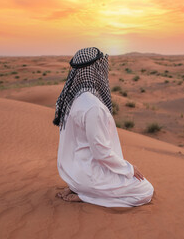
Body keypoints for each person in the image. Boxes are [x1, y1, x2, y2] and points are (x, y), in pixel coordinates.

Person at [53, 47, 154, 207]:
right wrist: (129, 168)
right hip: (89, 176)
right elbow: (101, 153)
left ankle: (79, 190)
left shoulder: (72, 100)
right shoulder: (93, 107)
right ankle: (87, 196)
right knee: (145, 191)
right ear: (96, 70)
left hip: (73, 173)